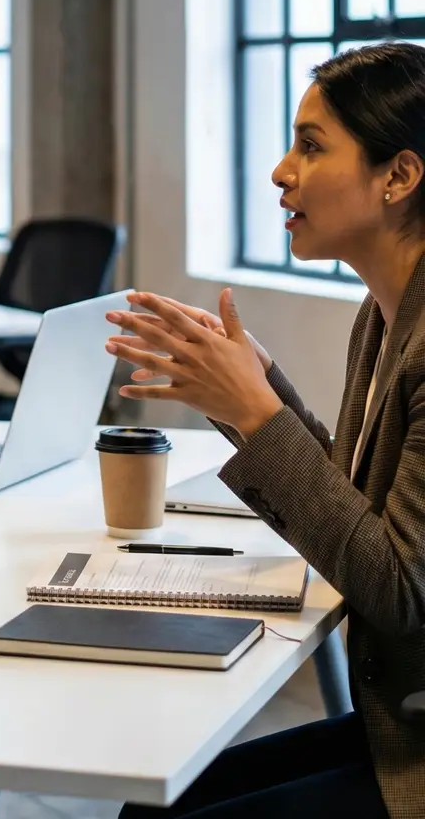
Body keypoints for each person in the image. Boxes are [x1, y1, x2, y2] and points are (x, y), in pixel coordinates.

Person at [110, 42, 425, 819]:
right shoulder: (383, 315)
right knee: (149, 805)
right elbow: (359, 509)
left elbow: (399, 590)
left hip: (412, 752)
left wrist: (259, 412)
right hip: (393, 724)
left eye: (311, 147)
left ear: (399, 176)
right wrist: (254, 388)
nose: (283, 171)